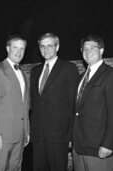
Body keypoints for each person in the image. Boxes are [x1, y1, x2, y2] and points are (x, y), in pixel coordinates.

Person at [73, 34, 113, 171]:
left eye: (92, 47)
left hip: (98, 146)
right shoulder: (80, 78)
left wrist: (108, 144)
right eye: (84, 48)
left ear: (101, 50)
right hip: (79, 146)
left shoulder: (112, 75)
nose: (88, 51)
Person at [30, 33, 79, 171]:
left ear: (57, 47)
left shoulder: (68, 68)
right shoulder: (35, 71)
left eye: (50, 45)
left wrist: (71, 135)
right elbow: (35, 103)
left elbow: (73, 103)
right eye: (42, 46)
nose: (46, 49)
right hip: (38, 134)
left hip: (59, 135)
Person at [0, 35, 30, 171]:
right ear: (8, 48)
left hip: (19, 135)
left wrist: (26, 130)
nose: (19, 52)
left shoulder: (23, 74)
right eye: (15, 47)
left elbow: (24, 105)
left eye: (22, 49)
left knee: (15, 168)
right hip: (2, 135)